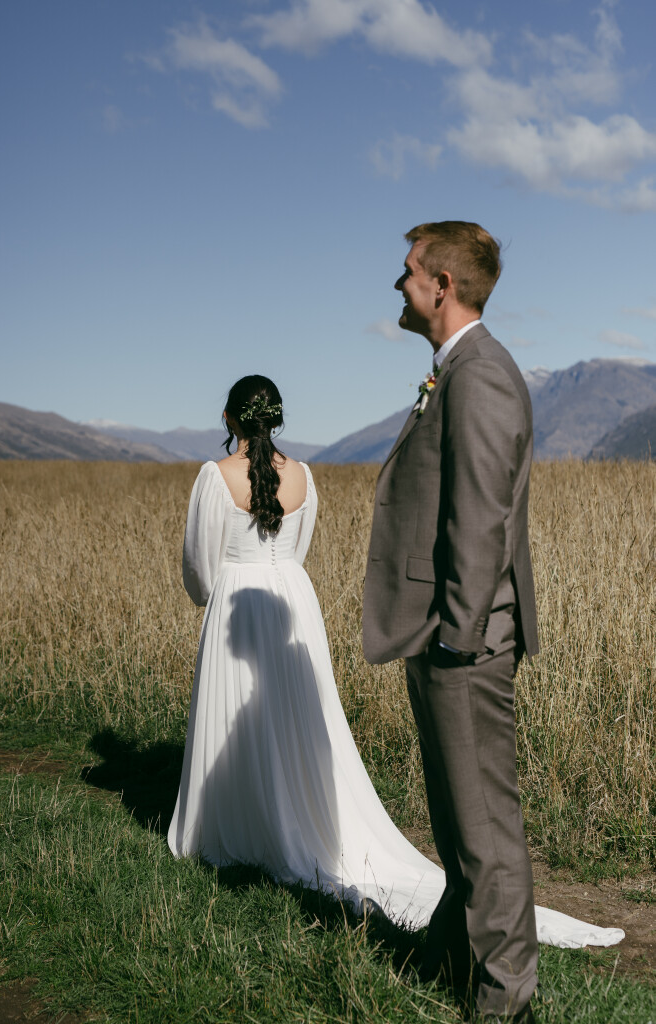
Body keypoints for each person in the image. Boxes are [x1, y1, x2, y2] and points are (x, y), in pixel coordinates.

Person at [168, 374, 622, 997]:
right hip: (294, 604)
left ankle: (247, 820)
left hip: (237, 604)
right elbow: (298, 549)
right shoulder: (305, 476)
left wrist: (214, 594)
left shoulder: (213, 477)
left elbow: (199, 565)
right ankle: (295, 814)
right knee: (297, 718)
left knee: (237, 717)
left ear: (229, 417)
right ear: (277, 416)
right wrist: (280, 580)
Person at [362, 221, 544, 1021]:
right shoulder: (457, 370)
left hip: (463, 638)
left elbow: (479, 520)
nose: (396, 284)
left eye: (408, 271)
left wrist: (455, 638)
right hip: (441, 629)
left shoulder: (480, 375)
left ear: (441, 286)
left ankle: (506, 999)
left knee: (484, 825)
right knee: (456, 815)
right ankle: (453, 954)